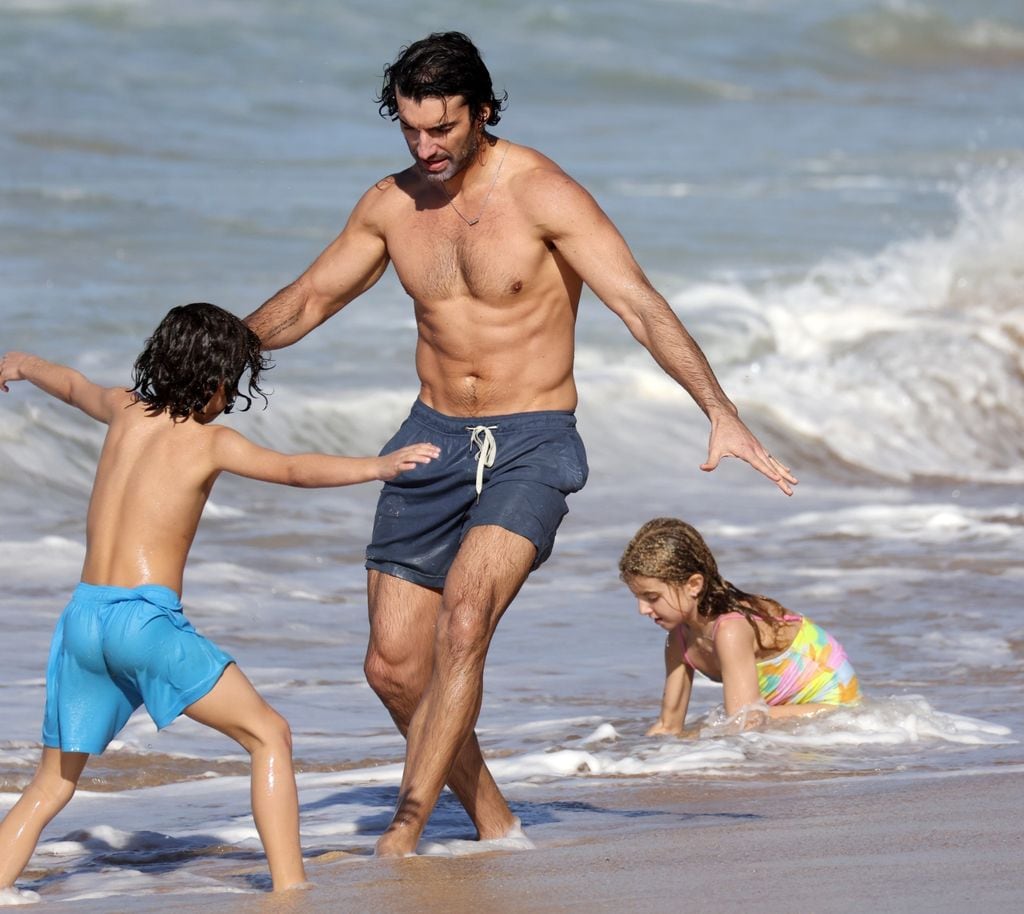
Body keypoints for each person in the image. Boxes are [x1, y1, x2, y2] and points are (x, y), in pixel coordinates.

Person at [243, 31, 798, 856]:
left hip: (531, 440)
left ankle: (403, 835)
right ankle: (495, 823)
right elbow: (309, 300)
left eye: (442, 129)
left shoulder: (544, 194)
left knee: (464, 621)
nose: (425, 148)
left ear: (484, 111)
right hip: (431, 437)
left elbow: (639, 305)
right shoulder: (391, 206)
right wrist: (201, 365)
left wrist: (718, 408)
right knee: (393, 669)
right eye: (408, 129)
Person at [0, 303, 439, 899]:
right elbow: (292, 469)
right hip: (144, 622)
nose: (229, 401)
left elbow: (71, 385)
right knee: (268, 735)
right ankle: (290, 891)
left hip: (82, 618)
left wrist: (22, 363)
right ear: (214, 382)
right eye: (230, 388)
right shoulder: (209, 443)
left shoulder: (122, 408)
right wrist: (378, 466)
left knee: (51, 784)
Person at [619, 518, 861, 735]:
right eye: (637, 598)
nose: (642, 610)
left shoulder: (730, 629)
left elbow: (745, 721)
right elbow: (667, 726)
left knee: (722, 724)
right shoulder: (678, 640)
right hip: (775, 708)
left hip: (834, 705)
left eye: (652, 598)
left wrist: (695, 740)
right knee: (717, 725)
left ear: (694, 585)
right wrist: (630, 765)